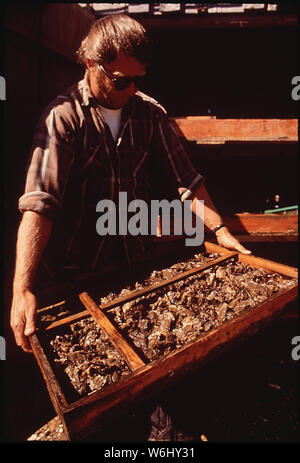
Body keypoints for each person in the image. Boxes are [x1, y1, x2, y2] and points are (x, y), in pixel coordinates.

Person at [10, 14, 251, 440]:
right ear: (91, 63)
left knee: (156, 389)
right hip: (76, 279)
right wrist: (22, 288)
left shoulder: (150, 114)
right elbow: (40, 204)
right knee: (97, 400)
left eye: (138, 79)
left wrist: (218, 230)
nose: (132, 89)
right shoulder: (63, 119)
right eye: (122, 80)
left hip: (134, 271)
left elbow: (186, 181)